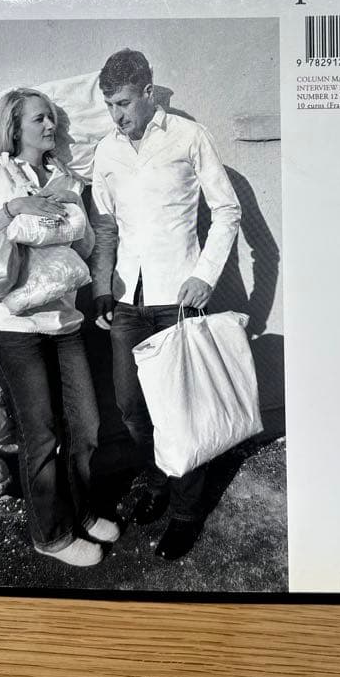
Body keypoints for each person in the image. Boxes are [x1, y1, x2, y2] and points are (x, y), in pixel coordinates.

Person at [90, 50, 241, 561]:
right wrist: (102, 287)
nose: (117, 115)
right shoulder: (106, 152)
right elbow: (106, 226)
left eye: (124, 103)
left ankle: (186, 511)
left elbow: (227, 211)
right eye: (110, 105)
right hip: (127, 303)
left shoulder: (189, 137)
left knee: (181, 412)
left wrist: (205, 275)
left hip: (177, 298)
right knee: (133, 409)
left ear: (148, 93)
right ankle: (158, 480)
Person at [0, 88, 119, 569]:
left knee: (86, 425)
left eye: (52, 117)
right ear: (15, 128)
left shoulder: (66, 177)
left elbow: (84, 247)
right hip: (12, 326)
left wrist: (71, 204)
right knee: (42, 433)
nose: (50, 126)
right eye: (39, 119)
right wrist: (14, 209)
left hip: (63, 320)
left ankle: (82, 511)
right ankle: (51, 535)